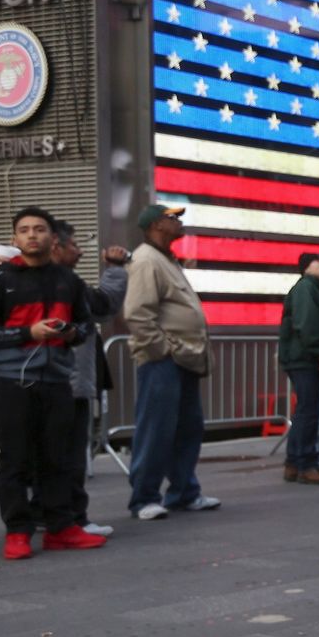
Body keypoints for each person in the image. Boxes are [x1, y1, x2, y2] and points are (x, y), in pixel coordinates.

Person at [0, 207, 108, 557]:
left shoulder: (69, 281)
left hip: (57, 379)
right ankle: (18, 531)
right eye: (24, 230)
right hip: (12, 382)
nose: (32, 235)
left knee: (58, 458)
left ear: (52, 238)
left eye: (40, 229)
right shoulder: (1, 280)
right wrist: (27, 333)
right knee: (15, 459)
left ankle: (61, 527)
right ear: (15, 239)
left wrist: (70, 332)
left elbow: (86, 327)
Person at [122, 204, 215, 520]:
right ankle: (144, 497)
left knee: (188, 427)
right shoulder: (146, 260)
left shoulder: (165, 259)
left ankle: (184, 492)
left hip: (182, 357)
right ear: (156, 225)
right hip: (164, 358)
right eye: (173, 218)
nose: (179, 222)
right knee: (157, 428)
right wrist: (162, 349)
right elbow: (138, 313)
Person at [53, 222, 133, 533]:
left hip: (44, 381)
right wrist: (114, 269)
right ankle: (70, 519)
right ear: (55, 246)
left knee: (58, 454)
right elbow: (103, 306)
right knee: (69, 453)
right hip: (65, 381)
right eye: (74, 244)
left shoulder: (23, 280)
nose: (81, 250)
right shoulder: (63, 284)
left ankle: (51, 518)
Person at [278, 252, 319, 486]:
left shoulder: (310, 288)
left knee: (305, 410)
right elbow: (308, 323)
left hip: (301, 357)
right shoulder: (306, 289)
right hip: (304, 358)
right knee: (309, 412)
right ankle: (306, 464)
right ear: (306, 267)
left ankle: (294, 463)